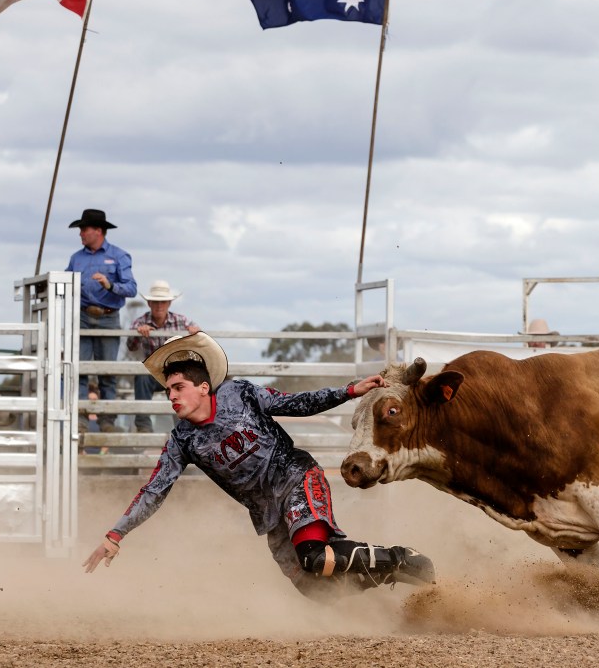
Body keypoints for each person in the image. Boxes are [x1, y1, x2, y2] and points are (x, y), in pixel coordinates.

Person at [82, 332, 435, 596]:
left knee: (314, 557)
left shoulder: (241, 394)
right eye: (168, 391)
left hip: (296, 477)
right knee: (318, 591)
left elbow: (295, 402)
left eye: (178, 387)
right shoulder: (183, 440)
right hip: (268, 511)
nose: (172, 396)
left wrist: (349, 391)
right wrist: (116, 534)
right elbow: (154, 490)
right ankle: (389, 580)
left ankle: (403, 558)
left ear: (203, 387)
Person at [65, 208, 137, 430]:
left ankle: (107, 420)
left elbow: (131, 288)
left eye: (84, 229)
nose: (81, 234)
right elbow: (65, 283)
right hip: (83, 316)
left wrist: (109, 285)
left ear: (98, 231)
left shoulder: (119, 256)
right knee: (81, 370)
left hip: (107, 317)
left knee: (107, 372)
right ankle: (80, 419)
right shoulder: (76, 259)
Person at [125, 280, 201, 434]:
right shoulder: (141, 322)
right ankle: (143, 426)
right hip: (153, 372)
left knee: (183, 382)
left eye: (163, 302)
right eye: (155, 302)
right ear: (149, 304)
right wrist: (139, 334)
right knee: (142, 376)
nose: (159, 306)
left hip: (176, 371)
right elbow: (130, 346)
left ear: (169, 304)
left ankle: (184, 427)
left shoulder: (181, 321)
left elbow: (199, 338)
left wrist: (195, 332)